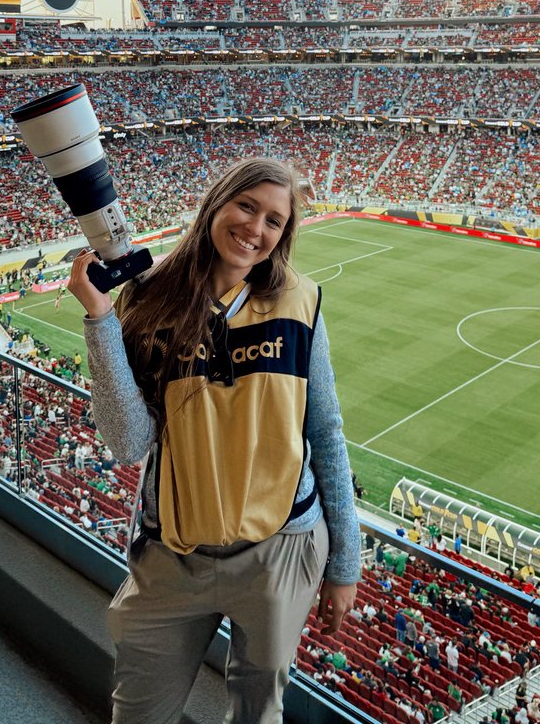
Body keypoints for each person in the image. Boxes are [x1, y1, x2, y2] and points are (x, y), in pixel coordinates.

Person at [68, 157, 360, 724]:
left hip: (282, 551)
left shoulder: (301, 302)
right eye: (247, 207)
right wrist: (101, 318)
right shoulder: (149, 299)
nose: (256, 229)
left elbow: (325, 431)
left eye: (274, 221)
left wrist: (345, 562)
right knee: (139, 713)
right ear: (216, 205)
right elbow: (129, 442)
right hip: (174, 555)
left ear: (285, 234)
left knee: (258, 714)